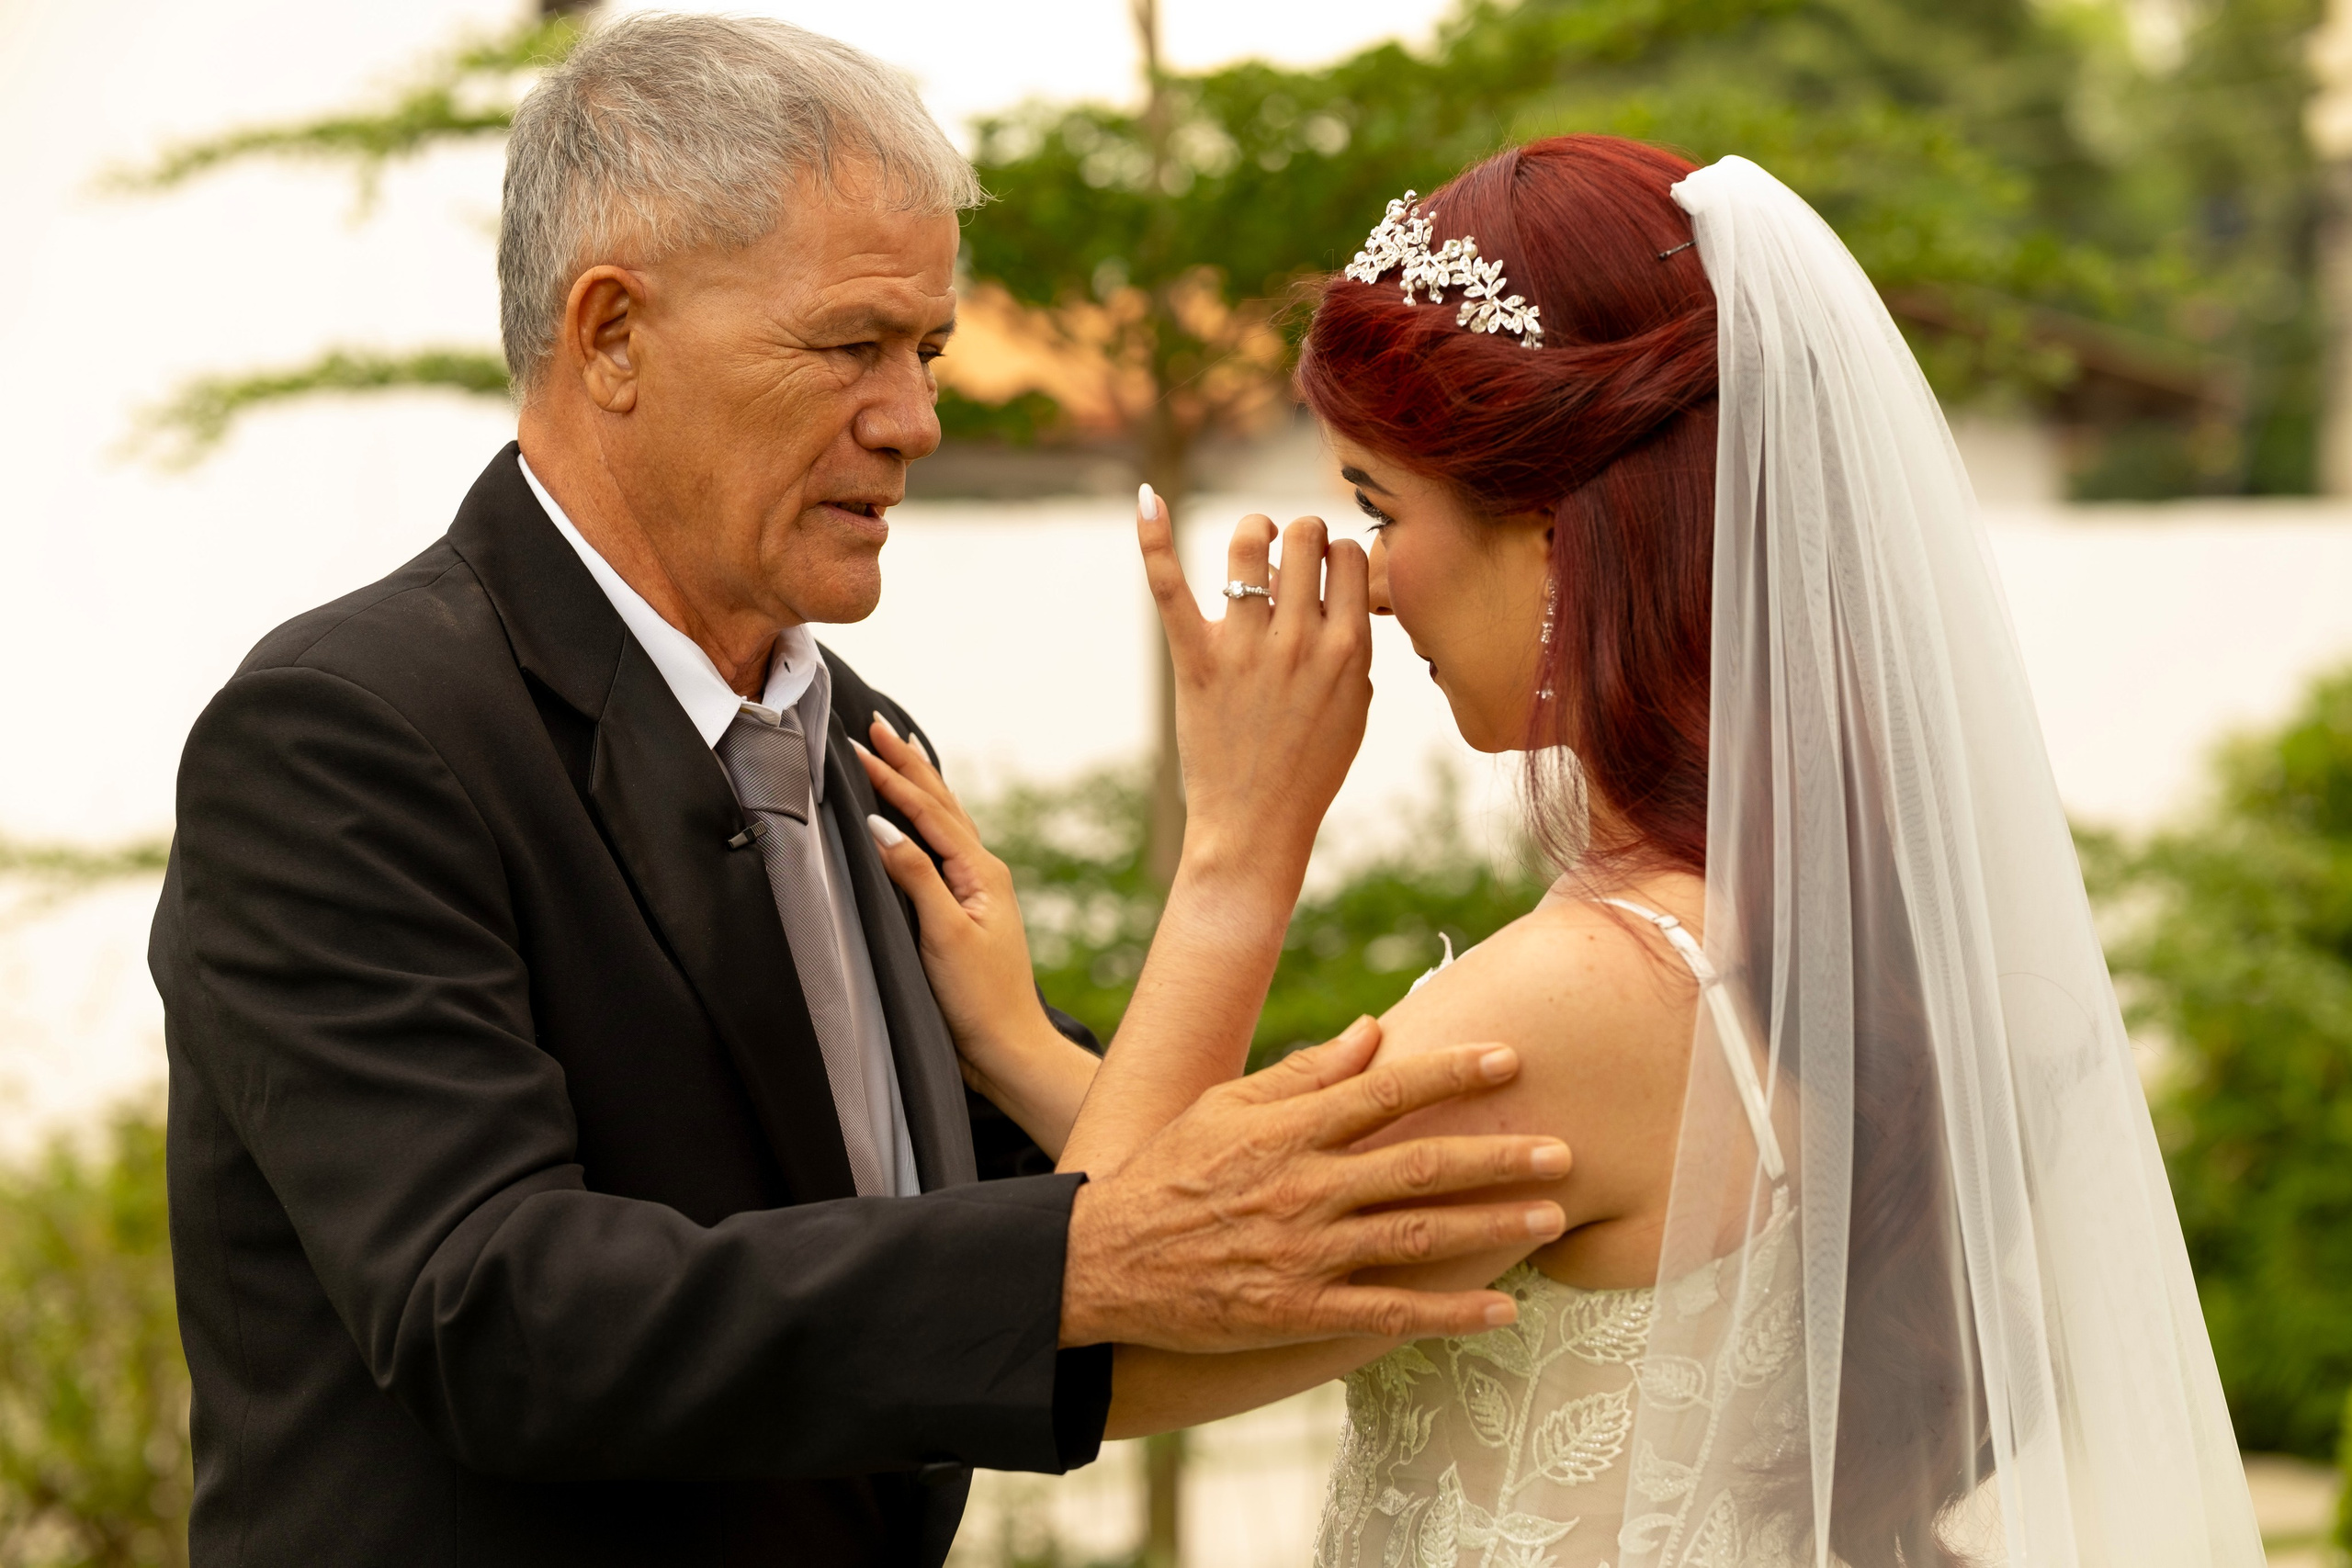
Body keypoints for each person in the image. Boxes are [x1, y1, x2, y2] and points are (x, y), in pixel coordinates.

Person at [147, 17, 1578, 1568]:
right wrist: (1081, 1260)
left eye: (929, 351)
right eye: (853, 346)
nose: (917, 421)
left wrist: (1225, 890)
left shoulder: (870, 751)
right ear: (612, 335)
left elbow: (1119, 1266)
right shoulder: (347, 732)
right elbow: (491, 1314)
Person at [862, 137, 2269, 1565]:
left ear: (1551, 536)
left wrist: (1241, 842)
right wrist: (1023, 1048)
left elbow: (1088, 1337)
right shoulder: (1802, 921)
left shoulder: (1579, 1006)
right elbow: (1249, 1230)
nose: (1374, 589)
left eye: (1376, 509)